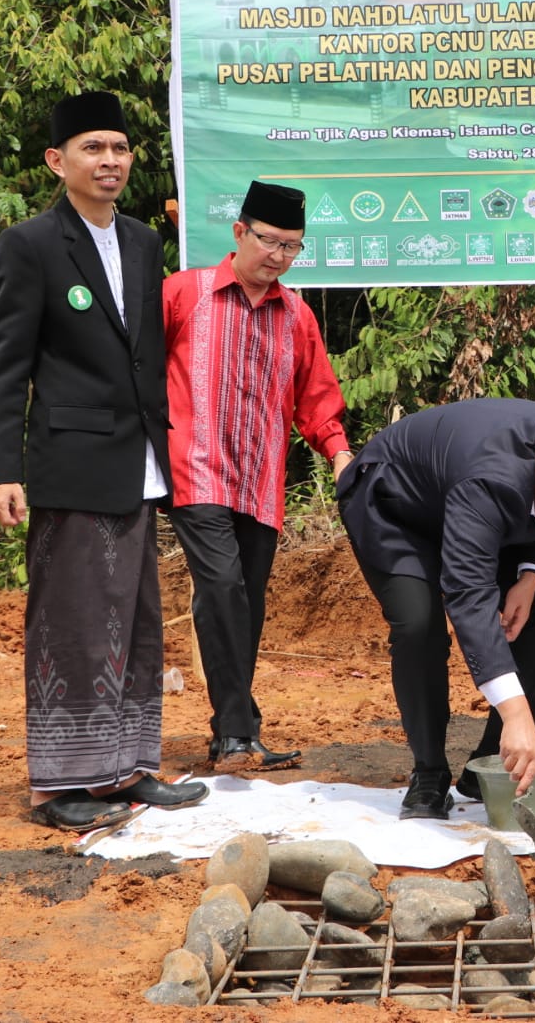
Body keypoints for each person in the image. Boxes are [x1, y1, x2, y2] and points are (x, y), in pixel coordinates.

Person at [0, 91, 208, 832]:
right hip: (70, 461)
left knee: (137, 620)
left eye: (118, 147)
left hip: (138, 460)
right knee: (74, 622)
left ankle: (131, 768)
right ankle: (63, 785)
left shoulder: (143, 241)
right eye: (92, 148)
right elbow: (5, 365)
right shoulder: (32, 244)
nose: (109, 160)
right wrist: (1, 469)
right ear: (59, 162)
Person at [337, 398, 535, 819]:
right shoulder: (492, 478)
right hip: (396, 508)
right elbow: (468, 592)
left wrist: (531, 575)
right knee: (418, 623)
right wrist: (515, 710)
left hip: (466, 501)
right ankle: (428, 772)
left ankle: (493, 767)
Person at [164, 181, 354, 774]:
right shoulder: (183, 293)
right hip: (195, 471)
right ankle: (239, 732)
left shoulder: (296, 314)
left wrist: (338, 451)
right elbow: (134, 366)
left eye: (292, 247)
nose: (277, 255)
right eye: (269, 240)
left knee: (246, 603)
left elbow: (316, 395)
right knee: (220, 588)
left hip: (261, 479)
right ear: (239, 233)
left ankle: (230, 734)